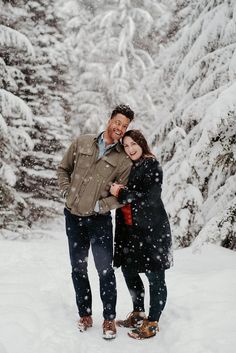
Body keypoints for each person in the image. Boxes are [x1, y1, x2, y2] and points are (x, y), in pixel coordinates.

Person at [57, 105, 134, 340]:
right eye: (118, 122)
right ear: (110, 120)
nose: (120, 128)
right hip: (73, 217)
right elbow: (63, 169)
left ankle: (109, 318)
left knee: (104, 270)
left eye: (125, 126)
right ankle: (85, 314)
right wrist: (66, 193)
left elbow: (122, 196)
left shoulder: (123, 160)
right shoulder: (83, 142)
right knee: (78, 268)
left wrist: (103, 206)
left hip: (99, 222)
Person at [110, 129, 173, 340]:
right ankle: (138, 313)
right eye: (125, 146)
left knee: (155, 277)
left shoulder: (151, 165)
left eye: (132, 144)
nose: (129, 149)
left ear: (141, 143)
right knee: (129, 270)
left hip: (152, 231)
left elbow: (150, 198)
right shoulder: (127, 167)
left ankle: (153, 322)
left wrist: (122, 192)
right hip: (130, 232)